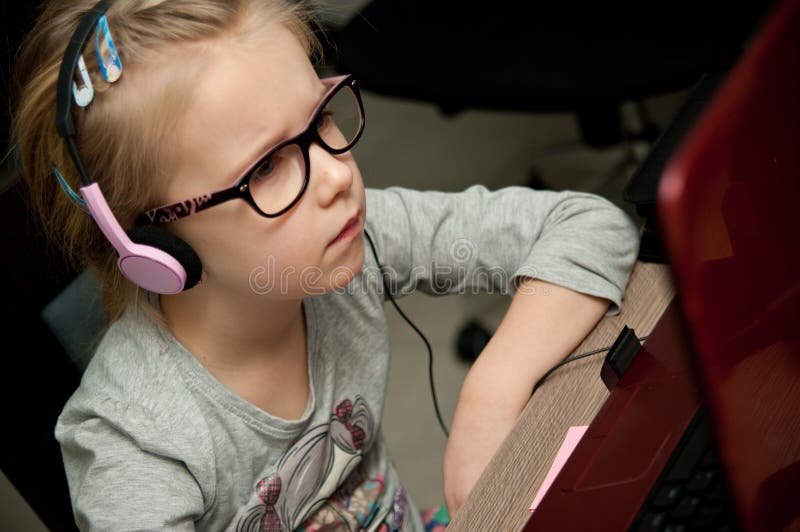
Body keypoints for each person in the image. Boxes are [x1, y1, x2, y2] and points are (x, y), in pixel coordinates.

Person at [12, 0, 640, 530]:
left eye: (322, 118)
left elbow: (589, 225)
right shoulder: (137, 446)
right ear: (153, 248)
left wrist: (491, 391)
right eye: (266, 167)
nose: (338, 175)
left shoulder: (349, 243)